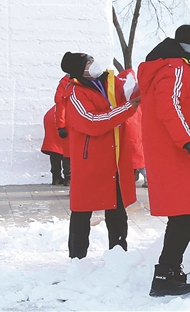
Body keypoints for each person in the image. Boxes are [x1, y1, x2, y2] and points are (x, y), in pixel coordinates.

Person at [138, 24, 190, 297]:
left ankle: (168, 271)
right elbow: (168, 105)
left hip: (167, 151)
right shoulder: (177, 67)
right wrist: (187, 139)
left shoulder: (166, 65)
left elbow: (172, 99)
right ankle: (165, 275)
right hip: (175, 152)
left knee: (183, 216)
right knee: (186, 218)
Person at [58, 51, 140, 259]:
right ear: (79, 70)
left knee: (117, 210)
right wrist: (126, 109)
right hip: (90, 161)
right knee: (82, 211)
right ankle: (77, 258)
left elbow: (131, 91)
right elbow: (92, 122)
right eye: (88, 63)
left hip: (114, 158)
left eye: (92, 61)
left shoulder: (107, 82)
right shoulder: (75, 92)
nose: (94, 65)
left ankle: (118, 254)